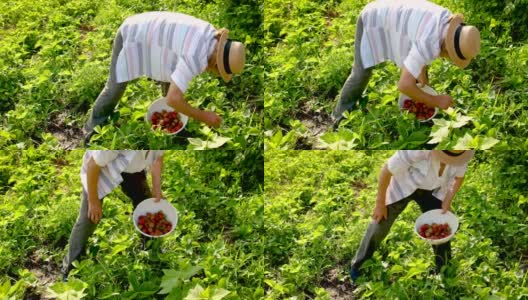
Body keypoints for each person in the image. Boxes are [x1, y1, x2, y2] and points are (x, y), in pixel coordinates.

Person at [83, 12, 246, 143]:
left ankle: (171, 123)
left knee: (172, 79)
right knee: (115, 86)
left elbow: (176, 63)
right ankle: (92, 129)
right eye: (216, 72)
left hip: (149, 30)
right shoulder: (196, 56)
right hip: (132, 34)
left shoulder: (211, 35)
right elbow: (173, 99)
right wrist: (203, 116)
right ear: (217, 65)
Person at [332, 0, 480, 129]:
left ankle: (418, 101)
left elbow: (420, 47)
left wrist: (423, 83)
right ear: (448, 47)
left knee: (414, 78)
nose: (448, 58)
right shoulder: (430, 42)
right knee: (361, 73)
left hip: (391, 12)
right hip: (372, 19)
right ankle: (339, 117)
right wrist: (435, 100)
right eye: (451, 56)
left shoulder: (445, 21)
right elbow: (403, 85)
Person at [350, 150, 475, 281]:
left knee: (440, 225)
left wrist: (448, 199)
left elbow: (459, 178)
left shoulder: (461, 154)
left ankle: (443, 268)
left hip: (431, 190)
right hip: (404, 184)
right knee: (380, 223)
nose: (450, 161)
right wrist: (380, 203)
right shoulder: (417, 150)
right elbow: (386, 170)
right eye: (447, 157)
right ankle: (358, 266)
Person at [61, 150, 165, 280]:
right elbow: (93, 165)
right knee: (89, 218)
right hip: (100, 169)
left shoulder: (158, 136)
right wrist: (93, 200)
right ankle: (70, 268)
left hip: (132, 169)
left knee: (146, 205)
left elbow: (157, 159)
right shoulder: (115, 145)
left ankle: (150, 249)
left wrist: (156, 188)